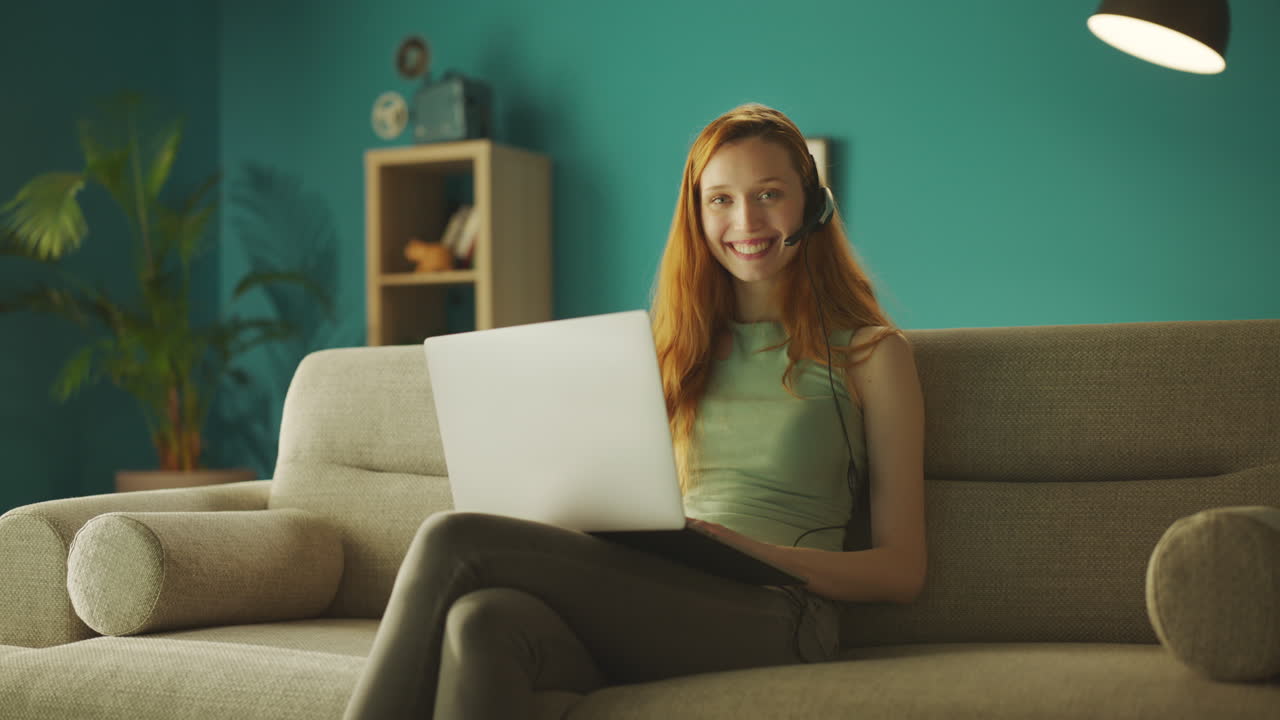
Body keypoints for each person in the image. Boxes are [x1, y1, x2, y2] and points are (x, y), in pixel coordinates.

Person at [342, 102, 926, 720]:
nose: (745, 219)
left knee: (453, 539)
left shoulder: (871, 356)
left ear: (812, 204)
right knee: (484, 621)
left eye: (769, 194)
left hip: (778, 612)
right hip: (662, 596)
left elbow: (902, 571)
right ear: (697, 216)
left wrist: (762, 555)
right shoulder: (671, 353)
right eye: (720, 199)